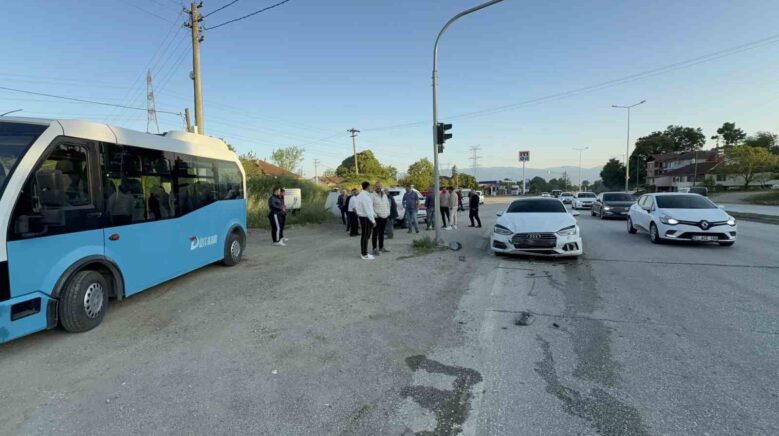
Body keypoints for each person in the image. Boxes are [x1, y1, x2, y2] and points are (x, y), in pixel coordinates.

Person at [354, 181, 376, 260]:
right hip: (366, 218)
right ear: (368, 187)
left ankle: (364, 253)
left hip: (363, 217)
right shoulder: (365, 197)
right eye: (370, 187)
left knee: (365, 235)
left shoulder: (361, 195)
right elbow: (368, 210)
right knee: (365, 236)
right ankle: (364, 254)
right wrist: (373, 221)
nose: (371, 188)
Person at [370, 181, 391, 255]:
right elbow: (370, 207)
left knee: (382, 233)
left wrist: (388, 213)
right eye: (377, 186)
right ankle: (374, 249)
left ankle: (381, 247)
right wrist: (375, 215)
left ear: (381, 186)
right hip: (377, 217)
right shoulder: (372, 196)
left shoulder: (384, 195)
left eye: (379, 186)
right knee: (375, 234)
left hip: (385, 216)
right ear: (375, 187)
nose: (378, 187)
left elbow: (388, 204)